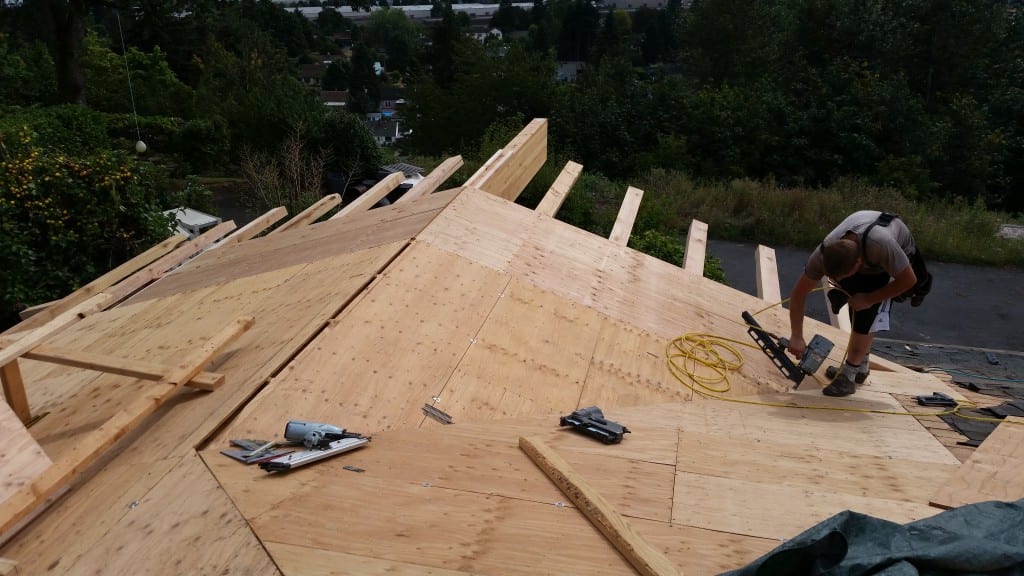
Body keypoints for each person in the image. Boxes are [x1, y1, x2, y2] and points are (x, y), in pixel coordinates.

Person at [787, 210, 932, 397]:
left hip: (895, 252)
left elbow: (908, 280)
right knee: (854, 301)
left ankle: (849, 374)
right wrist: (796, 336)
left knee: (866, 310)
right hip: (864, 246)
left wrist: (869, 299)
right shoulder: (822, 255)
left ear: (858, 264)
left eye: (841, 277)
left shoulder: (881, 246)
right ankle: (861, 366)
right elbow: (799, 294)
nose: (836, 280)